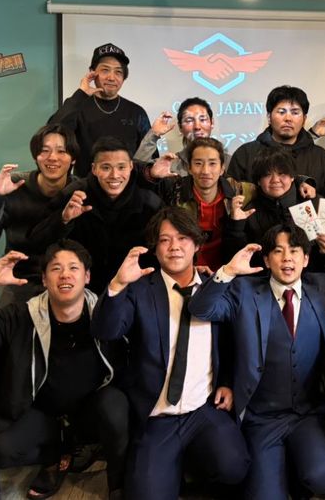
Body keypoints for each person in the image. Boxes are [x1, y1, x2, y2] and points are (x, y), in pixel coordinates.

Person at [0, 241, 130, 500]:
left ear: (87, 276)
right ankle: (56, 455)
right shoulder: (22, 315)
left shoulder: (106, 315)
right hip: (42, 414)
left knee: (115, 406)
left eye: (73, 268)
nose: (65, 275)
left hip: (90, 411)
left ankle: (117, 483)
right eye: (56, 268)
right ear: (44, 279)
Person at [91, 207, 250, 499]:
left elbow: (230, 344)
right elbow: (106, 330)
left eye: (182, 238)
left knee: (235, 467)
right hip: (157, 415)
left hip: (202, 410)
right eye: (164, 240)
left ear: (197, 244)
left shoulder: (216, 288)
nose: (174, 246)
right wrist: (117, 284)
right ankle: (169, 466)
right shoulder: (140, 289)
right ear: (155, 248)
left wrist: (226, 381)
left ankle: (189, 464)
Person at [189, 225, 325, 500]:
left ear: (306, 259)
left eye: (294, 251)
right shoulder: (244, 290)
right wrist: (228, 271)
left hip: (307, 413)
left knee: (323, 477)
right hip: (261, 416)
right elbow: (201, 309)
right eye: (278, 251)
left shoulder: (323, 287)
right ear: (267, 260)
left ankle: (297, 469)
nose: (287, 258)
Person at [30, 136, 162, 293]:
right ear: (94, 169)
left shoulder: (149, 203)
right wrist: (63, 220)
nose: (114, 175)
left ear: (131, 167)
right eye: (106, 168)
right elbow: (36, 242)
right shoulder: (73, 196)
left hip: (135, 289)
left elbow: (160, 252)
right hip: (80, 291)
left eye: (121, 167)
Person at [0, 124, 79, 306]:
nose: (52, 157)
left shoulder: (80, 192)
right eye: (44, 151)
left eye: (61, 151)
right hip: (19, 280)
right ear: (36, 156)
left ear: (73, 158)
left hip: (68, 282)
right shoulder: (15, 184)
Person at [50, 43, 160, 177]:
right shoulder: (78, 106)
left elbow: (151, 158)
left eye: (118, 72)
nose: (111, 77)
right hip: (84, 187)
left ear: (124, 77)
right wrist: (81, 94)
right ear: (92, 73)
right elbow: (51, 133)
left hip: (126, 186)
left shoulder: (136, 112)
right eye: (105, 70)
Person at [224, 148, 325, 275]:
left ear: (292, 177)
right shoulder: (249, 211)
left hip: (311, 281)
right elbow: (236, 260)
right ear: (258, 181)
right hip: (264, 281)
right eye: (267, 175)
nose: (275, 180)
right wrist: (236, 227)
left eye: (282, 174)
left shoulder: (315, 203)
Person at [153, 137, 254, 271]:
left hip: (227, 270)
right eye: (198, 163)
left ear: (222, 168)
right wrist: (151, 175)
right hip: (185, 270)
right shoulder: (174, 191)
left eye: (212, 164)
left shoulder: (240, 191)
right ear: (189, 168)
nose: (205, 171)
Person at [226, 85, 325, 200]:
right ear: (269, 117)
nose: (288, 118)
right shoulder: (246, 154)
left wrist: (313, 199)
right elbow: (231, 197)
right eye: (281, 112)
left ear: (304, 119)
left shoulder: (320, 157)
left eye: (295, 113)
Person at [135, 97, 233, 176]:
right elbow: (136, 172)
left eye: (202, 119)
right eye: (189, 120)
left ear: (212, 123)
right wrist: (154, 134)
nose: (197, 126)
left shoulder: (229, 162)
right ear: (180, 127)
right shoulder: (170, 164)